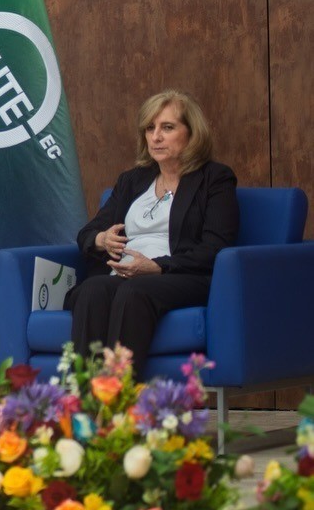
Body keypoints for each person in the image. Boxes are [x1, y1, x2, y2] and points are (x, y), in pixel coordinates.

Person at [65, 89, 239, 378]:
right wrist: (101, 239)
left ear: (192, 133)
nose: (156, 137)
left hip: (181, 276)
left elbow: (216, 246)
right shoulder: (133, 180)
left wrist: (157, 267)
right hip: (124, 274)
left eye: (167, 128)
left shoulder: (215, 179)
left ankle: (119, 401)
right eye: (150, 128)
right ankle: (82, 401)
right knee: (93, 290)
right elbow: (88, 232)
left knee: (134, 291)